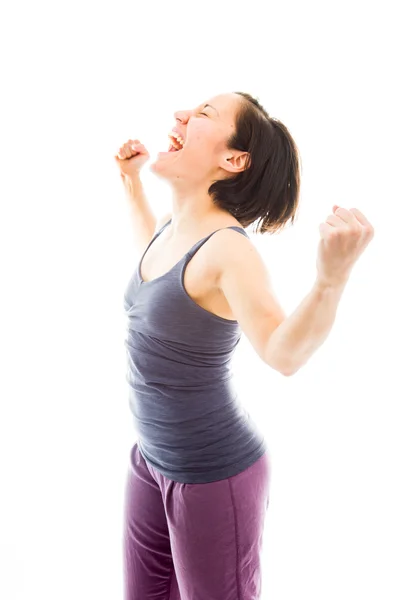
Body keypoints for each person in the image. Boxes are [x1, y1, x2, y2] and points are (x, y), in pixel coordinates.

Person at [114, 92, 374, 600]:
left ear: (233, 160)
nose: (181, 115)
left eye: (204, 114)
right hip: (150, 458)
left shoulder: (228, 249)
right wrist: (130, 182)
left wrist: (330, 281)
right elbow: (158, 274)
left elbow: (283, 353)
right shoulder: (175, 231)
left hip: (213, 475)